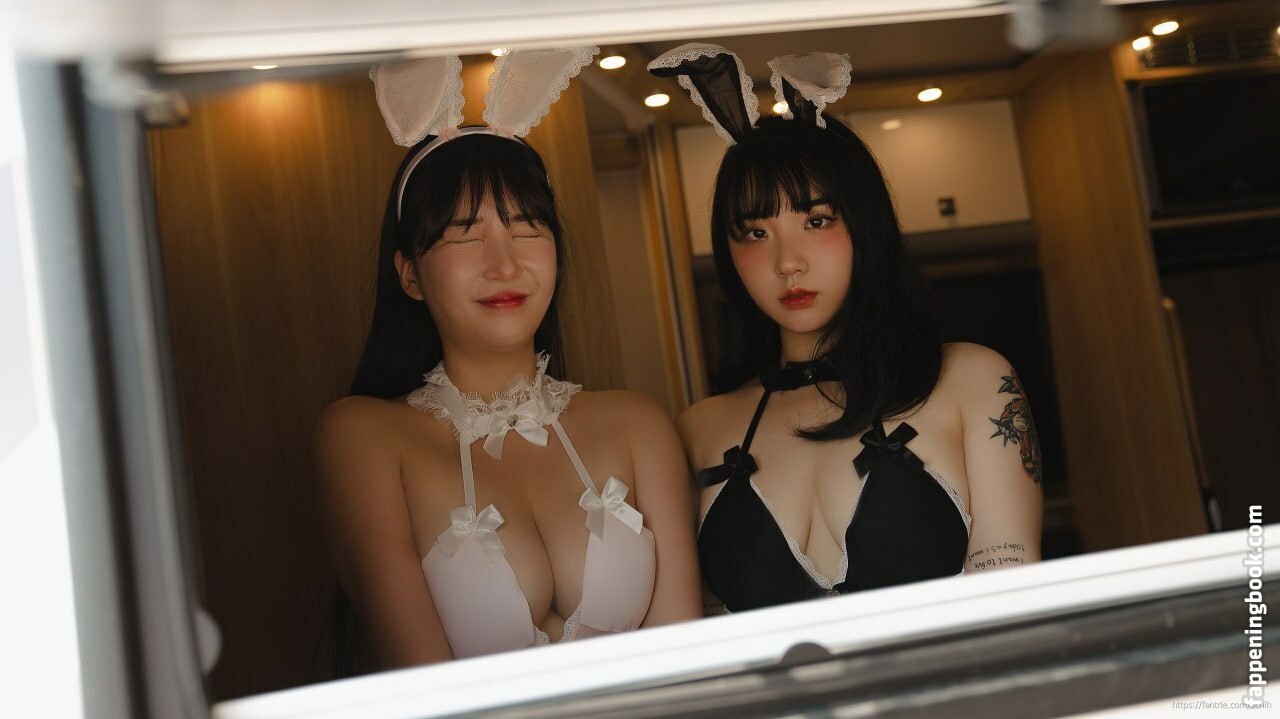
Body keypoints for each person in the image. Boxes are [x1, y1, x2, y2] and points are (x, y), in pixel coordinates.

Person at [316, 50, 700, 669]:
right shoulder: (363, 438)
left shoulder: (639, 424)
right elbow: (423, 690)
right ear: (410, 274)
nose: (504, 264)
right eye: (465, 234)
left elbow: (689, 664)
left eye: (526, 229)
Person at [652, 45, 1043, 614]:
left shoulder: (971, 380)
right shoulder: (696, 430)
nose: (787, 262)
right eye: (755, 233)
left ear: (865, 224)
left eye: (816, 221)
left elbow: (1012, 595)